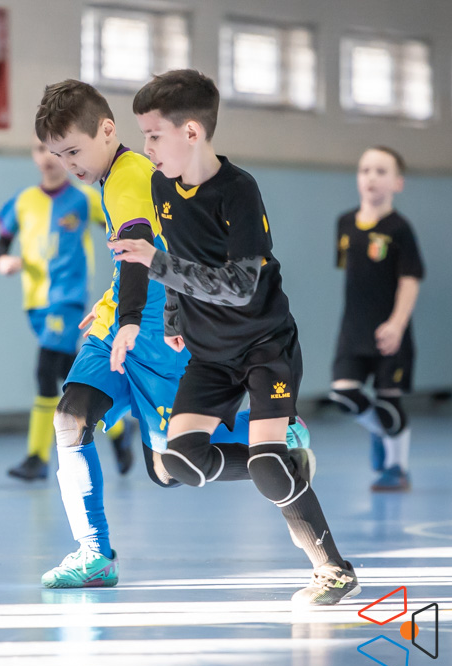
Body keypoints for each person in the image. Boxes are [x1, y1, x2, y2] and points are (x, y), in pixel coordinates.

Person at [33, 79, 313, 591]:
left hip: (153, 334)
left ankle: (276, 445)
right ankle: (94, 554)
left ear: (107, 130)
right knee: (72, 419)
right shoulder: (121, 176)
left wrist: (129, 317)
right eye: (58, 155)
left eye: (73, 150)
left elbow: (139, 247)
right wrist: (112, 302)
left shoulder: (129, 177)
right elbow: (136, 254)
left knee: (168, 467)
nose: (68, 164)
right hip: (117, 327)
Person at [117, 69, 359, 606]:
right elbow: (177, 254)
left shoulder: (238, 191)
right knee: (178, 462)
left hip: (264, 347)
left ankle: (334, 570)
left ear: (191, 132)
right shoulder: (161, 186)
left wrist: (155, 263)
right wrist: (174, 318)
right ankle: (282, 462)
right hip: (210, 354)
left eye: (153, 135)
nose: (146, 147)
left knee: (267, 463)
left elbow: (240, 286)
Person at [0, 135, 134, 481]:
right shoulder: (24, 201)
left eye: (54, 150)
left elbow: (118, 226)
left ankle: (37, 457)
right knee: (68, 373)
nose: (47, 157)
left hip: (67, 299)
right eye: (39, 149)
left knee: (45, 371)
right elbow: (2, 241)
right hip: (36, 303)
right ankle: (118, 430)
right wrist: (3, 260)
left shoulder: (84, 199)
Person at [327, 147, 425, 492]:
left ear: (398, 183)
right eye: (365, 169)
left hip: (390, 330)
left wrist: (397, 324)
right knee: (344, 393)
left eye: (381, 171)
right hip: (353, 329)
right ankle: (380, 430)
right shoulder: (344, 223)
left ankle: (397, 469)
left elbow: (410, 279)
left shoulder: (400, 229)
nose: (371, 177)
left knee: (389, 400)